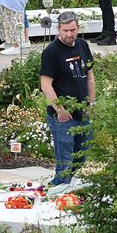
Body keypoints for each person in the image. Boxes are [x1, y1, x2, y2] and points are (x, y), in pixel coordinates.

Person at [39, 12, 95, 186]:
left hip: (83, 112)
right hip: (63, 117)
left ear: (78, 28)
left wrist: (91, 103)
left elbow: (90, 77)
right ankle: (60, 188)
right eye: (65, 30)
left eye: (73, 30)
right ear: (58, 29)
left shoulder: (83, 45)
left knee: (81, 154)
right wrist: (60, 110)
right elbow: (45, 84)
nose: (69, 34)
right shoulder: (51, 52)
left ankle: (65, 185)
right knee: (65, 159)